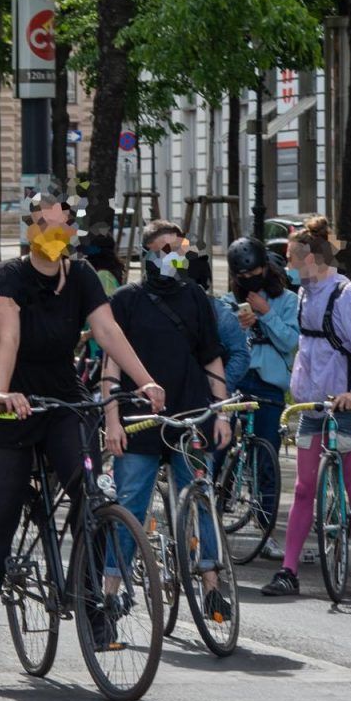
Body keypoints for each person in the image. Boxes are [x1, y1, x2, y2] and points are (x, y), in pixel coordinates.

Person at [0, 195, 170, 688]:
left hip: (59, 396)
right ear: (30, 229)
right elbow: (7, 337)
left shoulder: (81, 276)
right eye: (43, 225)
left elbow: (108, 331)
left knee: (90, 496)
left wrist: (145, 381)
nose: (53, 234)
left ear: (72, 233)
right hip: (6, 398)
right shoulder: (6, 274)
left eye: (62, 226)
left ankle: (91, 600)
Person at [101, 221, 235, 624]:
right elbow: (110, 362)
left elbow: (211, 356)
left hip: (190, 414)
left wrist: (221, 410)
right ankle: (111, 591)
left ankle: (212, 586)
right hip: (138, 420)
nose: (172, 257)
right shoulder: (126, 300)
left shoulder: (195, 297)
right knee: (131, 504)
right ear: (146, 255)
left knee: (201, 495)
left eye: (178, 249)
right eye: (163, 249)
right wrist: (112, 420)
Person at [261, 217, 351, 600]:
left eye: (293, 260)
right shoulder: (305, 295)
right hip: (310, 407)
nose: (288, 268)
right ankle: (288, 571)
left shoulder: (348, 296)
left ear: (313, 258)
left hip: (344, 405)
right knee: (302, 489)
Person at [224, 236, 297, 447]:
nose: (248, 279)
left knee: (266, 448)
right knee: (221, 445)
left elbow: (290, 342)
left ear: (264, 268)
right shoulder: (229, 301)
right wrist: (237, 326)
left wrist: (267, 313)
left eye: (253, 273)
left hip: (269, 383)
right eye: (242, 276)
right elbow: (219, 346)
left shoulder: (287, 300)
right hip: (237, 379)